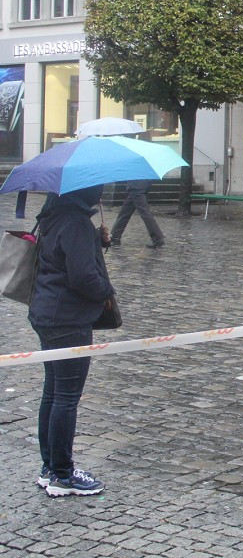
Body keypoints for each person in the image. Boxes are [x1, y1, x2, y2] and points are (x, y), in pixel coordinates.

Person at [30, 186, 115, 496]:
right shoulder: (76, 223)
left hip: (47, 314)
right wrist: (106, 292)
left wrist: (97, 241)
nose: (102, 193)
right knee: (65, 397)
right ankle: (63, 474)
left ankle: (50, 466)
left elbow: (64, 260)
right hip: (68, 319)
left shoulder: (53, 217)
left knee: (53, 393)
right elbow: (82, 277)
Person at [109, 179, 165, 248]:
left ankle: (157, 238)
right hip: (138, 185)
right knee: (126, 210)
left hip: (136, 186)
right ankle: (115, 236)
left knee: (144, 212)